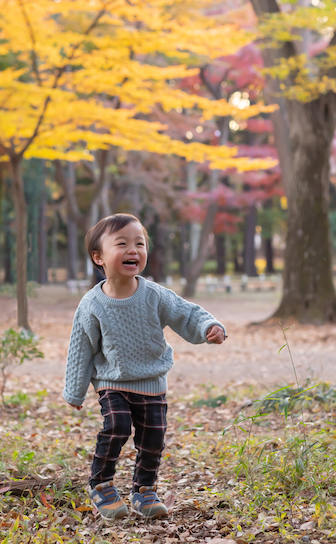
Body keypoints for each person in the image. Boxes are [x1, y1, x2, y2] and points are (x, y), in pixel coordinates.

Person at [63, 213, 227, 520]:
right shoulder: (92, 304)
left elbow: (186, 313)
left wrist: (208, 326)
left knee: (153, 439)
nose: (133, 250)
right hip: (112, 381)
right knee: (117, 426)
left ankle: (144, 491)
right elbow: (81, 346)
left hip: (152, 382)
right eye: (122, 243)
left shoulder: (154, 295)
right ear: (98, 257)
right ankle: (101, 484)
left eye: (139, 243)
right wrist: (75, 390)